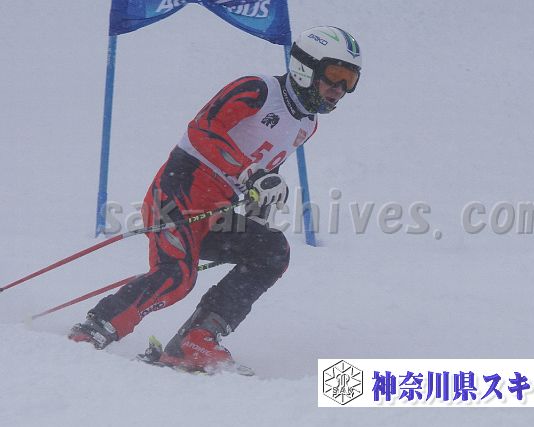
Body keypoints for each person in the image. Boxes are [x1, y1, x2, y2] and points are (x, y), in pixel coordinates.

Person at [69, 26, 362, 372]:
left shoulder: (307, 124)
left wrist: (261, 197)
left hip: (216, 212)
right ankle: (94, 329)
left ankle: (197, 339)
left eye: (350, 80)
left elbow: (267, 164)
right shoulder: (258, 89)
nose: (339, 89)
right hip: (177, 195)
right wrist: (249, 173)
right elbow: (203, 129)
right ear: (305, 67)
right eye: (334, 74)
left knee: (271, 251)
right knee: (177, 277)